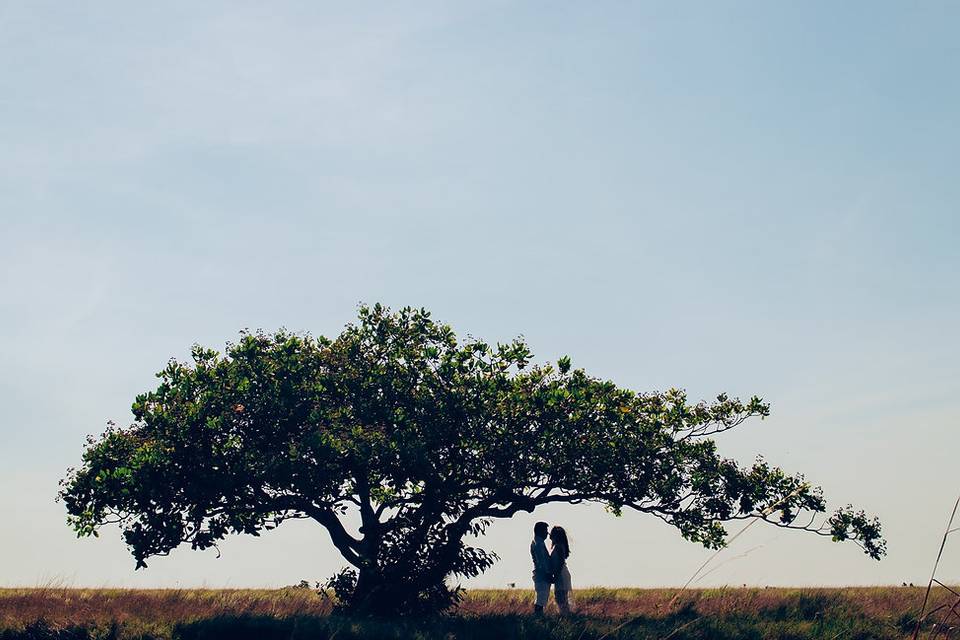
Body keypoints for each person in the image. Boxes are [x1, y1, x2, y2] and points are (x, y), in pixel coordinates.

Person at [549, 525, 572, 615]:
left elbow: (560, 563)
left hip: (561, 574)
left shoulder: (558, 546)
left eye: (551, 532)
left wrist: (556, 576)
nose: (549, 533)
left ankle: (565, 615)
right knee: (560, 598)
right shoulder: (558, 546)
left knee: (561, 598)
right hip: (561, 573)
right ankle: (565, 615)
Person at [530, 521, 552, 615]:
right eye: (545, 531)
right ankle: (538, 618)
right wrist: (547, 574)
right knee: (541, 600)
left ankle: (539, 618)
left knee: (541, 598)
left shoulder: (537, 542)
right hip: (541, 575)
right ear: (540, 531)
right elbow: (541, 561)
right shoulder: (539, 543)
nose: (547, 534)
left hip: (540, 575)